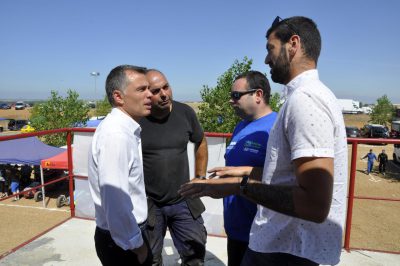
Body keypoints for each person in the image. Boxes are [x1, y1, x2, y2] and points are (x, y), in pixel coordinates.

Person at [180, 16, 348, 266]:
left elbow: (314, 203)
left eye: (270, 49)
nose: (267, 59)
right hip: (283, 246)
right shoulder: (304, 97)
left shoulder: (306, 100)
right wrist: (246, 171)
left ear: (293, 44)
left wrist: (239, 185)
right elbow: (290, 176)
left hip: (287, 250)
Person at [139, 69, 208, 266]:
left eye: (166, 87)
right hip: (150, 203)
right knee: (150, 260)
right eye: (156, 90)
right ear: (146, 94)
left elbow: (200, 140)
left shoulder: (185, 112)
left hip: (184, 200)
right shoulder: (138, 119)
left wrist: (200, 176)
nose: (164, 94)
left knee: (195, 255)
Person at [210, 70, 277, 266]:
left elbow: (282, 177)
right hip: (236, 230)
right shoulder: (241, 126)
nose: (231, 100)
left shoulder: (276, 127)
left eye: (236, 95)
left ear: (258, 95)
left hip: (262, 234)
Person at [88, 65, 153, 266]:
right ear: (119, 97)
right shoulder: (117, 136)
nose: (150, 95)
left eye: (149, 88)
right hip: (123, 243)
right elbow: (115, 202)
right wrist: (138, 247)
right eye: (141, 89)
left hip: (122, 237)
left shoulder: (122, 130)